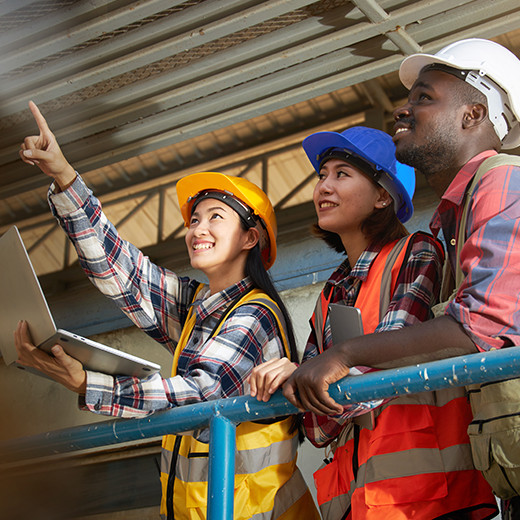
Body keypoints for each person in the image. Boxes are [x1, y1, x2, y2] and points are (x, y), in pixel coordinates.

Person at [15, 102, 320, 520]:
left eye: (216, 217)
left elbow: (202, 393)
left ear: (250, 238)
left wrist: (92, 384)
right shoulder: (197, 307)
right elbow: (120, 271)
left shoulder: (257, 314)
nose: (198, 229)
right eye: (194, 219)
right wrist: (65, 177)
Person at [279, 38, 520, 519]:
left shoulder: (503, 182)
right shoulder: (455, 218)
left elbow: (482, 327)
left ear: (473, 115)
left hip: (423, 500)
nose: (402, 110)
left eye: (424, 98)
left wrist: (343, 354)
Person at [249, 125, 499, 520]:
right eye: (321, 176)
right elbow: (316, 429)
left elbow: (386, 358)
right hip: (355, 502)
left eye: (341, 175)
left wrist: (312, 380)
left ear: (383, 195)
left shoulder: (417, 252)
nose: (323, 188)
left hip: (431, 498)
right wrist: (299, 380)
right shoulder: (330, 292)